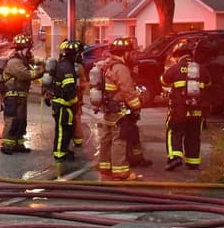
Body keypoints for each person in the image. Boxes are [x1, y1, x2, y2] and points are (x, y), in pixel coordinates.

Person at [87, 37, 148, 180]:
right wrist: (136, 105)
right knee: (119, 140)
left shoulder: (106, 66)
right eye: (130, 53)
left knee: (106, 138)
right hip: (119, 110)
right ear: (124, 53)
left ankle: (105, 167)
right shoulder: (121, 68)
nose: (131, 56)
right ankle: (120, 171)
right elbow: (128, 91)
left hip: (108, 109)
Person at [161, 46, 210, 170]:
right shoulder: (201, 69)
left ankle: (175, 158)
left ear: (178, 56)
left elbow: (163, 80)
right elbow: (209, 83)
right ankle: (193, 161)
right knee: (193, 134)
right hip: (197, 109)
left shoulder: (175, 68)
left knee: (174, 131)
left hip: (179, 110)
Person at [46, 39, 84, 162]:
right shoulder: (67, 68)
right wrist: (75, 100)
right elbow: (69, 89)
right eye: (79, 54)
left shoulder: (64, 64)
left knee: (67, 130)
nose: (80, 56)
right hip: (63, 106)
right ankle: (59, 153)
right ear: (73, 54)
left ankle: (64, 150)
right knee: (62, 130)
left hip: (63, 105)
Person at [0, 34, 36, 155]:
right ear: (20, 49)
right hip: (12, 96)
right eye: (27, 49)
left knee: (21, 121)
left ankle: (18, 144)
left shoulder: (22, 61)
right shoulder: (15, 62)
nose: (29, 52)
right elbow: (26, 75)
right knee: (12, 120)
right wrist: (40, 71)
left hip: (20, 96)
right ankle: (7, 145)